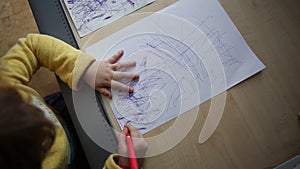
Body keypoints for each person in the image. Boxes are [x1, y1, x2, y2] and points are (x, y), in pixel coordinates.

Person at [0, 34, 148, 169]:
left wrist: (84, 68)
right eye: (43, 145)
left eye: (24, 101)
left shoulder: (3, 85)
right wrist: (125, 166)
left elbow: (32, 46)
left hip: (59, 111)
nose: (39, 114)